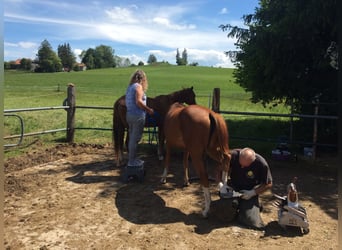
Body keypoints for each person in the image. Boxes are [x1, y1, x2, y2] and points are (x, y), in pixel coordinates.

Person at [221, 147, 273, 230]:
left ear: (252, 161)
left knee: (252, 222)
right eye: (240, 164)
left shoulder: (261, 164)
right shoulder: (232, 156)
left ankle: (255, 206)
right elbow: (219, 169)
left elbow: (268, 184)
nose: (242, 166)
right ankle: (238, 206)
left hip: (249, 190)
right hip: (233, 187)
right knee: (222, 213)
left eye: (245, 165)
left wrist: (253, 193)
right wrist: (222, 184)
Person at [125, 69, 154, 167]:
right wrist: (148, 109)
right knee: (135, 139)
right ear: (143, 79)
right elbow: (138, 102)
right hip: (137, 116)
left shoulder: (130, 87)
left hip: (129, 115)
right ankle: (132, 162)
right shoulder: (138, 87)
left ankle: (132, 159)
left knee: (132, 138)